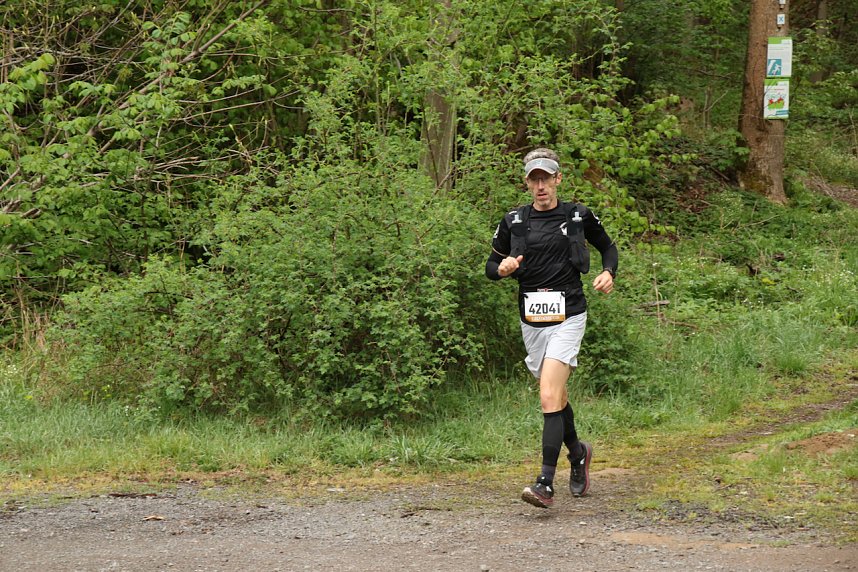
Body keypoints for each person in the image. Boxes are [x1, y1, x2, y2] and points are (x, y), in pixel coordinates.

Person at [485, 148, 618, 508]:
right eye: (534, 179)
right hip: (532, 320)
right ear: (527, 183)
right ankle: (578, 452)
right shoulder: (514, 221)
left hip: (570, 314)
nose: (540, 185)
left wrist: (608, 273)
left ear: (558, 179)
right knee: (555, 396)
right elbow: (490, 266)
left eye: (546, 178)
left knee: (547, 395)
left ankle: (545, 482)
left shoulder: (577, 215)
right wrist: (503, 268)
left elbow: (608, 247)